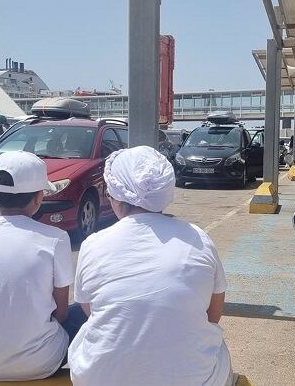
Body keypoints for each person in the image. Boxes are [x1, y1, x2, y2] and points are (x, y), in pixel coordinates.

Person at [69, 146, 232, 386]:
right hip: (192, 379)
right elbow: (213, 315)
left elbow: (89, 310)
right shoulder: (198, 238)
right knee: (217, 346)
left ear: (115, 195)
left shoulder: (93, 244)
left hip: (100, 379)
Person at [0, 151, 85, 381]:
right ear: (39, 197)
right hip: (41, 363)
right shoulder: (56, 239)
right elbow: (62, 313)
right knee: (84, 312)